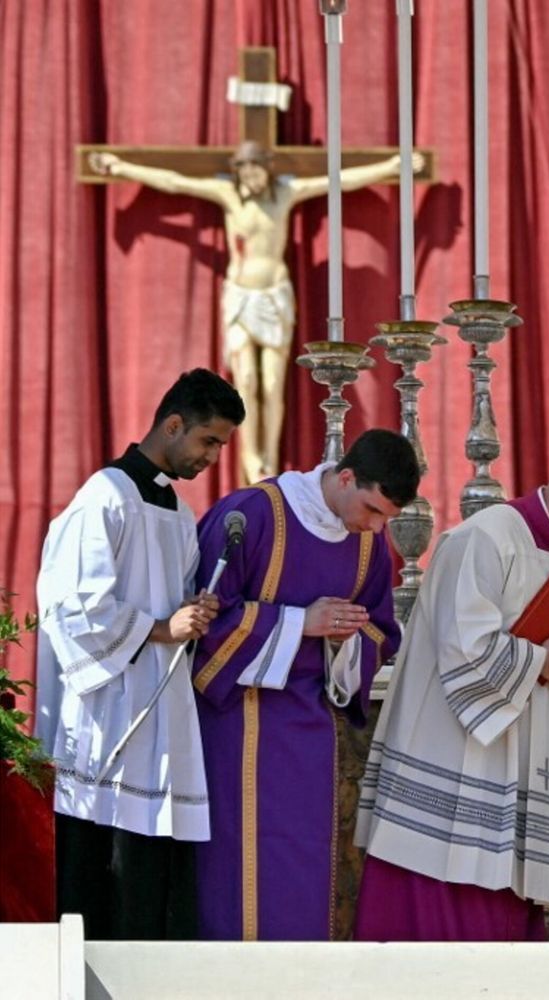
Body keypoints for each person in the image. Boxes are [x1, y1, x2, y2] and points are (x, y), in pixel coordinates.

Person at [352, 446, 549, 941]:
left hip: (518, 761)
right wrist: (542, 662)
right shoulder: (483, 537)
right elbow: (465, 649)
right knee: (441, 919)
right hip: (457, 763)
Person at [33, 369, 244, 939]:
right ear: (172, 424)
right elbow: (71, 606)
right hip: (109, 714)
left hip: (161, 711)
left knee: (156, 872)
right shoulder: (105, 495)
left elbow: (171, 612)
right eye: (208, 441)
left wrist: (194, 611)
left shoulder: (176, 511)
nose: (213, 456)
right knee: (105, 871)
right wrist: (162, 626)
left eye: (221, 445)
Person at [189, 428, 419, 940]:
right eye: (372, 509)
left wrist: (344, 639)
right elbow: (203, 621)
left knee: (303, 871)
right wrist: (300, 623)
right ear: (345, 477)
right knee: (236, 870)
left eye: (387, 518)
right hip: (237, 727)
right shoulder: (252, 515)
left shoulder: (367, 546)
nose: (377, 526)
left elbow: (381, 630)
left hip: (312, 734)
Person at [89, 142, 422, 485]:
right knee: (245, 379)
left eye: (257, 170)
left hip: (273, 297)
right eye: (245, 171)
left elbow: (338, 180)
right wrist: (121, 168)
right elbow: (175, 181)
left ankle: (270, 458)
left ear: (266, 169)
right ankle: (251, 463)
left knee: (273, 382)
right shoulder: (229, 196)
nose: (251, 178)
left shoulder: (286, 193)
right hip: (240, 297)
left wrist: (391, 167)